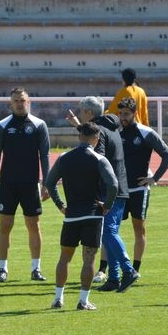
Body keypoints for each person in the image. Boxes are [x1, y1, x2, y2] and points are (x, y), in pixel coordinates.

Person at [65, 96, 138, 293]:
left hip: (110, 189)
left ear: (88, 113)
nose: (80, 115)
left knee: (108, 232)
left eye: (82, 112)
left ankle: (128, 270)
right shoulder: (111, 127)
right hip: (118, 187)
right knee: (107, 234)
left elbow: (97, 155)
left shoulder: (100, 130)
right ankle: (114, 278)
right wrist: (80, 127)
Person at [45, 122, 118, 311]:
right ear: (96, 139)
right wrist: (107, 206)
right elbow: (113, 185)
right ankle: (83, 301)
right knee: (89, 260)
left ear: (79, 137)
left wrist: (61, 205)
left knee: (64, 258)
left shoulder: (64, 158)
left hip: (71, 216)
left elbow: (50, 182)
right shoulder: (99, 159)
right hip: (93, 215)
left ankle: (58, 298)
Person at [0, 87, 51, 283]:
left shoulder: (39, 125)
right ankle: (2, 269)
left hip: (31, 183)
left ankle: (36, 269)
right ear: (10, 103)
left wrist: (46, 183)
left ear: (28, 101)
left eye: (22, 100)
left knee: (34, 225)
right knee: (5, 225)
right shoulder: (2, 126)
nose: (19, 103)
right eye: (15, 101)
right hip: (8, 184)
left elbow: (45, 156)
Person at [116, 97, 168, 274]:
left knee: (138, 229)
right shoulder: (116, 132)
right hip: (120, 190)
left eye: (126, 114)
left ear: (135, 113)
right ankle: (104, 269)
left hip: (139, 189)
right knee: (111, 229)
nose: (122, 117)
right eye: (120, 114)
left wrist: (154, 178)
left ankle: (135, 268)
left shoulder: (145, 132)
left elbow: (167, 155)